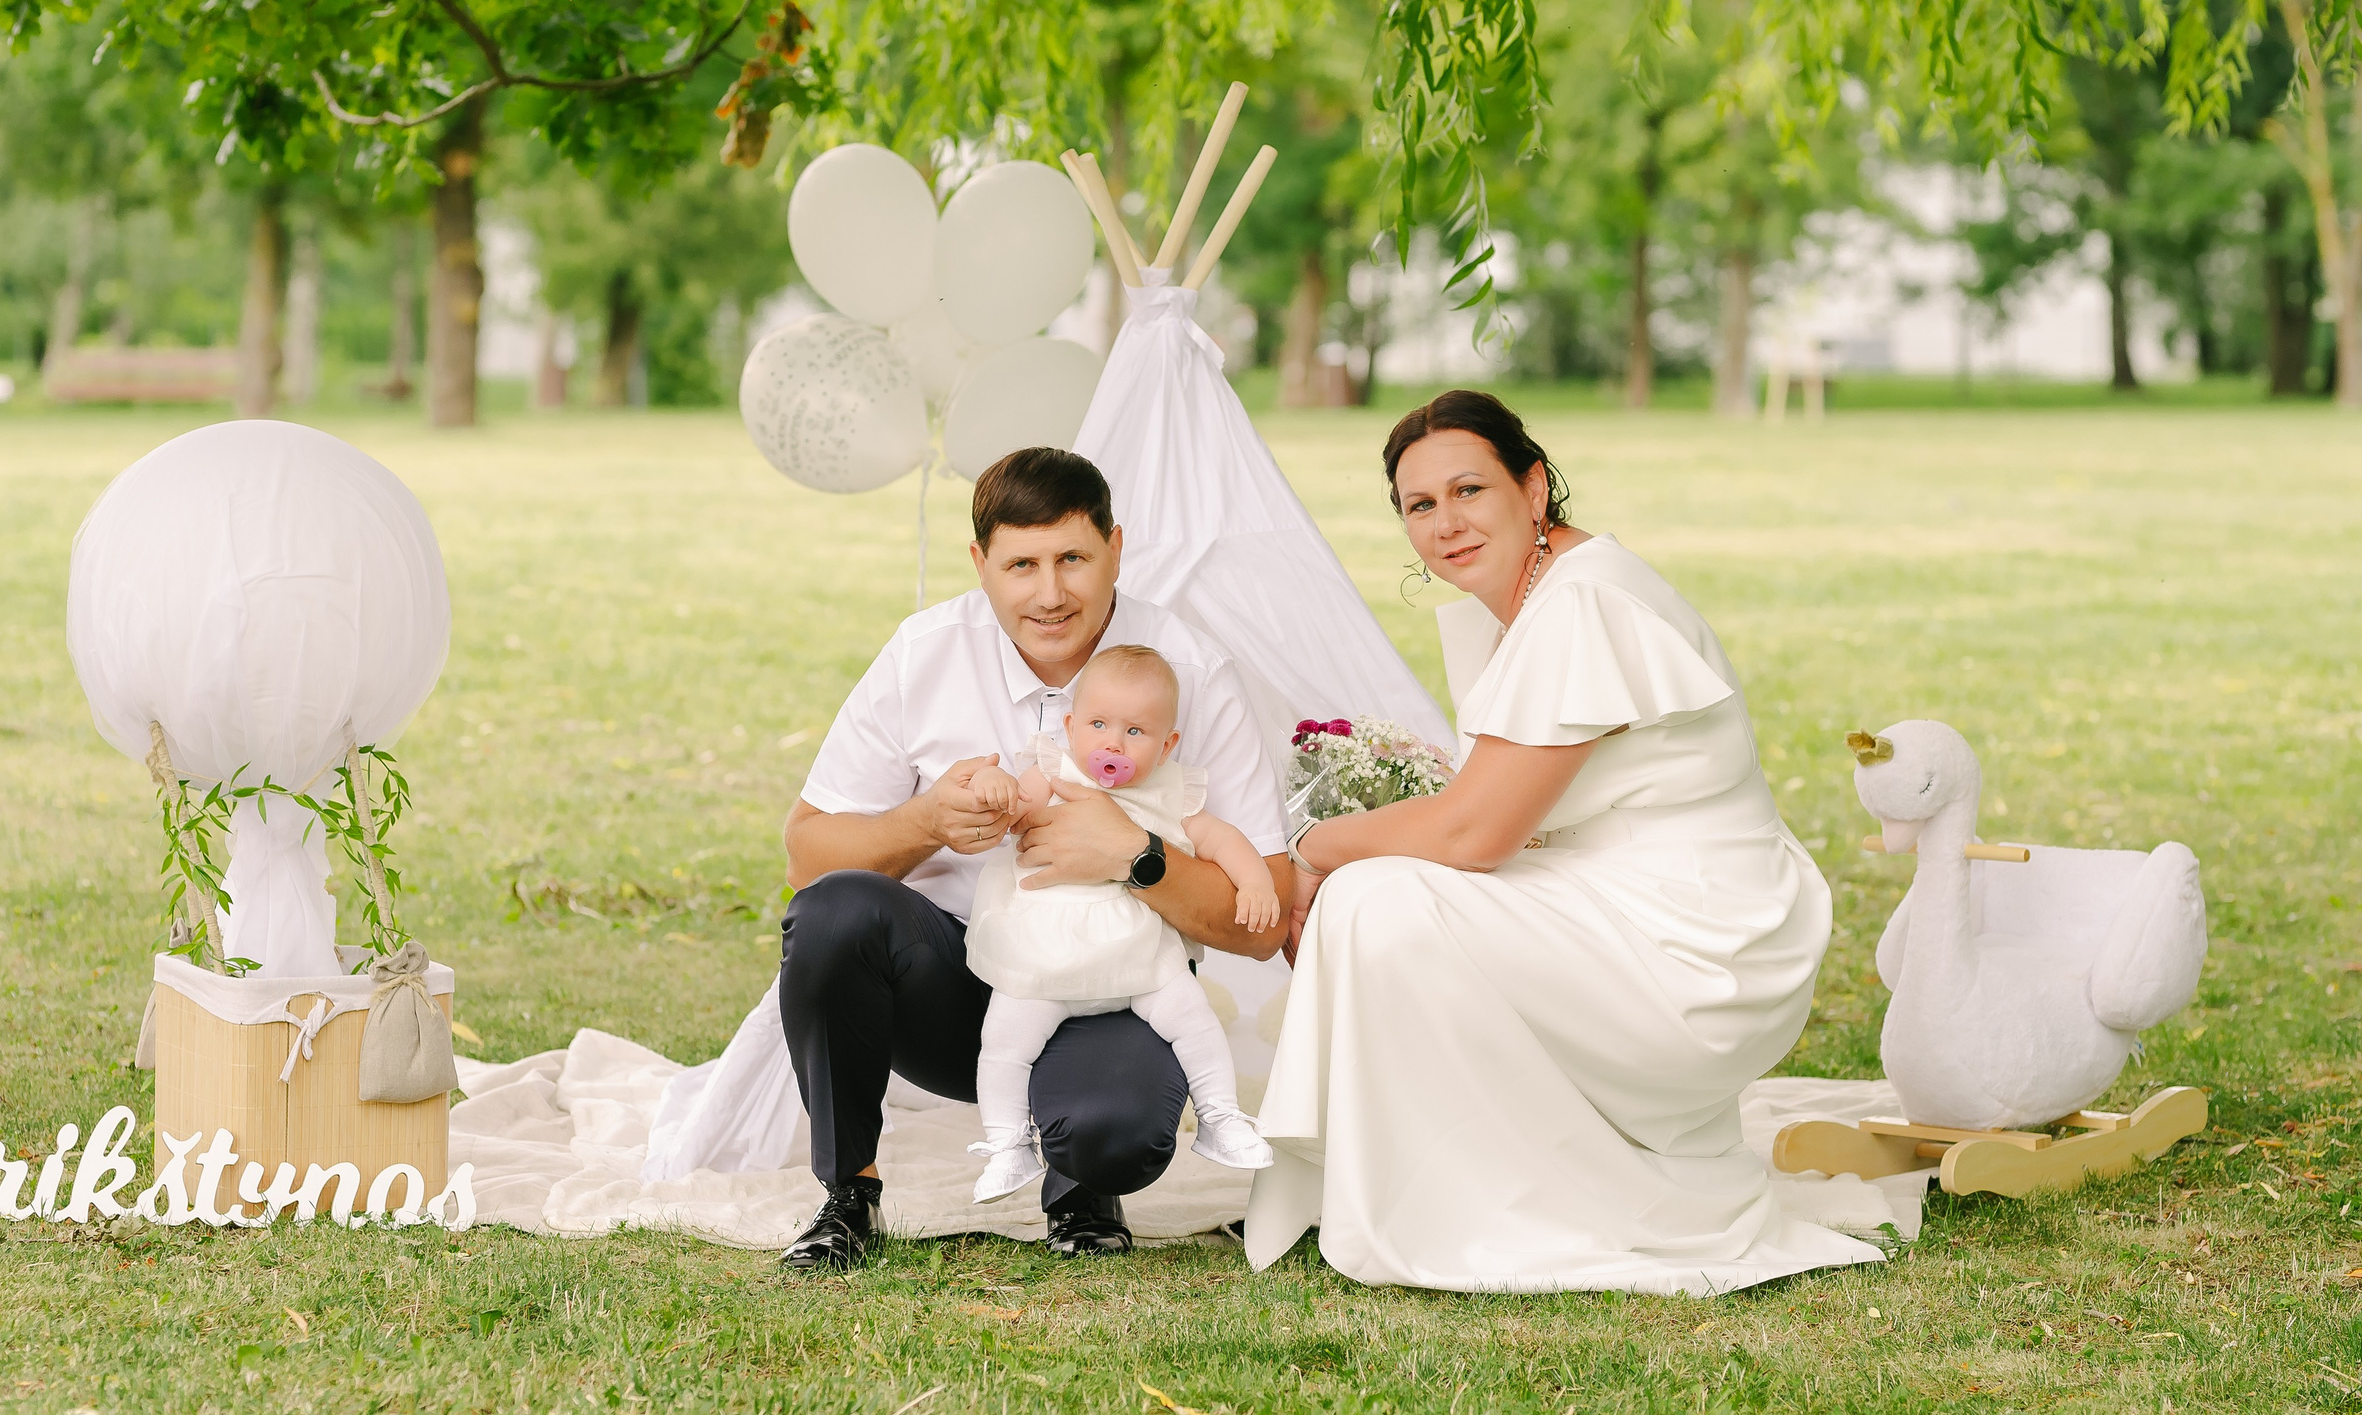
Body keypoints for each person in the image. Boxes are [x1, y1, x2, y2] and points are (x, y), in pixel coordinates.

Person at [1244, 390, 1885, 1294]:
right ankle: (1441, 1181)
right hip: (1629, 900)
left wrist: (1314, 846)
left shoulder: (1583, 602)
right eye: (1419, 505)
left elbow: (1474, 830)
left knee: (1376, 901)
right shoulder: (1543, 595)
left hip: (1698, 945)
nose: (1445, 523)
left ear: (1534, 487)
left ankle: (1484, 1202)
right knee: (1380, 895)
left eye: (1469, 489)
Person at [777, 447, 1291, 1270]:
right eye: (1021, 564)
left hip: (1114, 985)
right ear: (980, 563)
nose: (1050, 593)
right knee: (835, 912)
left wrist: (1137, 856)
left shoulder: (1190, 670)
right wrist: (925, 820)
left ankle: (1083, 1183)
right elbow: (808, 856)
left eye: (1072, 558)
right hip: (951, 980)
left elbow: (1265, 923)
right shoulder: (923, 652)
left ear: (1115, 548)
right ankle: (848, 1193)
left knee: (1117, 1135)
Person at [960, 644, 1278, 1201]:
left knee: (1195, 1021)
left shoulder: (1170, 790)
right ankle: (1007, 1146)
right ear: (1071, 727)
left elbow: (1222, 839)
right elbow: (1014, 811)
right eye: (1099, 725)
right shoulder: (1053, 770)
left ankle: (1221, 1118)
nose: (1113, 744)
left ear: (1167, 745)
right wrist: (995, 788)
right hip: (1045, 954)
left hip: (1139, 956)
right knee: (1005, 1044)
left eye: (1135, 731)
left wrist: (1255, 883)